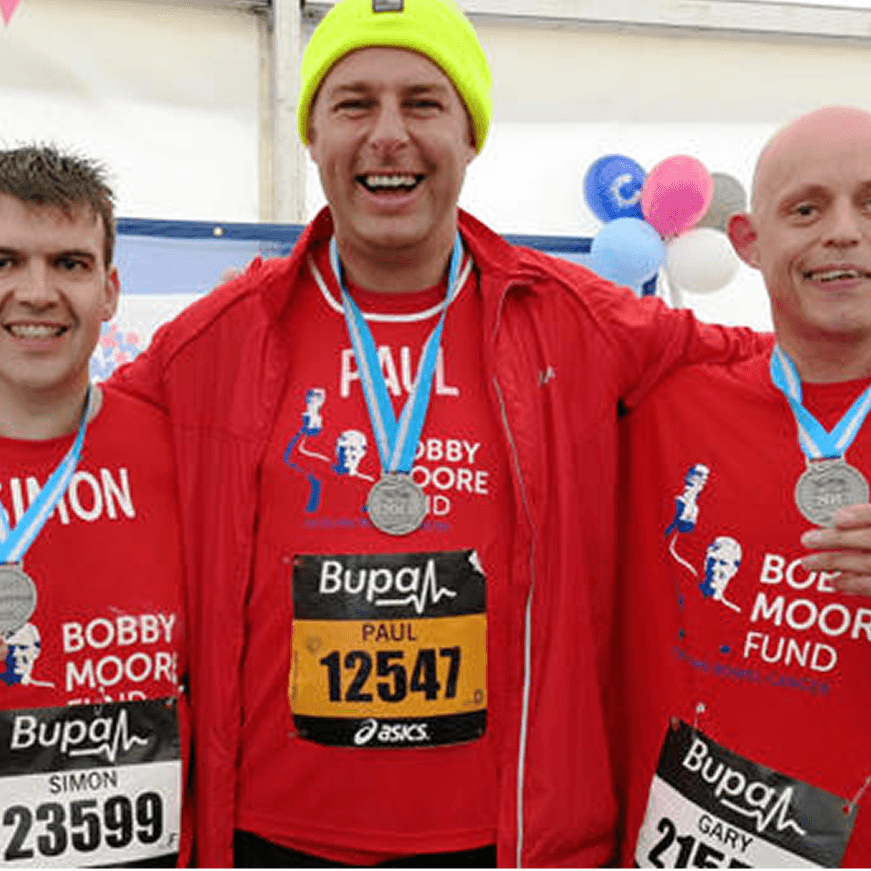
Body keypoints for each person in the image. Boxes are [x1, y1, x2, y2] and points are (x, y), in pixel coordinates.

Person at [111, 0, 770, 866]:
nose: (388, 134)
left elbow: (781, 372)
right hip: (271, 834)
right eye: (353, 104)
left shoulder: (572, 318)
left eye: (422, 103)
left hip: (507, 838)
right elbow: (64, 441)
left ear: (470, 137)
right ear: (311, 135)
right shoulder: (220, 335)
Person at [613, 105, 871, 869]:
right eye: (805, 209)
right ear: (748, 242)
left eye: (870, 203)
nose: (843, 232)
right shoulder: (660, 405)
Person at [0, 146, 188, 868]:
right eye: (5, 261)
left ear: (109, 291)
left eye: (69, 263)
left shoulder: (181, 450)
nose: (37, 292)